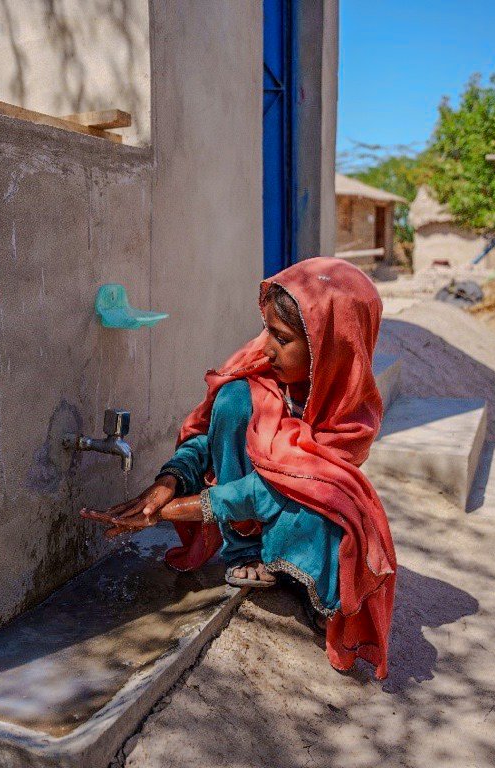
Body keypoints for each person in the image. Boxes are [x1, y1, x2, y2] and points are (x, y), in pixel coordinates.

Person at [81, 257, 397, 679]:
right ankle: (247, 552)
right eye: (266, 329)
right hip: (245, 518)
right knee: (231, 401)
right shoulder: (261, 377)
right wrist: (167, 484)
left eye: (282, 338)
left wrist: (172, 512)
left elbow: (283, 489)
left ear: (329, 346)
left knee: (334, 514)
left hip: (282, 506)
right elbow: (205, 442)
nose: (266, 347)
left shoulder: (347, 416)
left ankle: (302, 580)